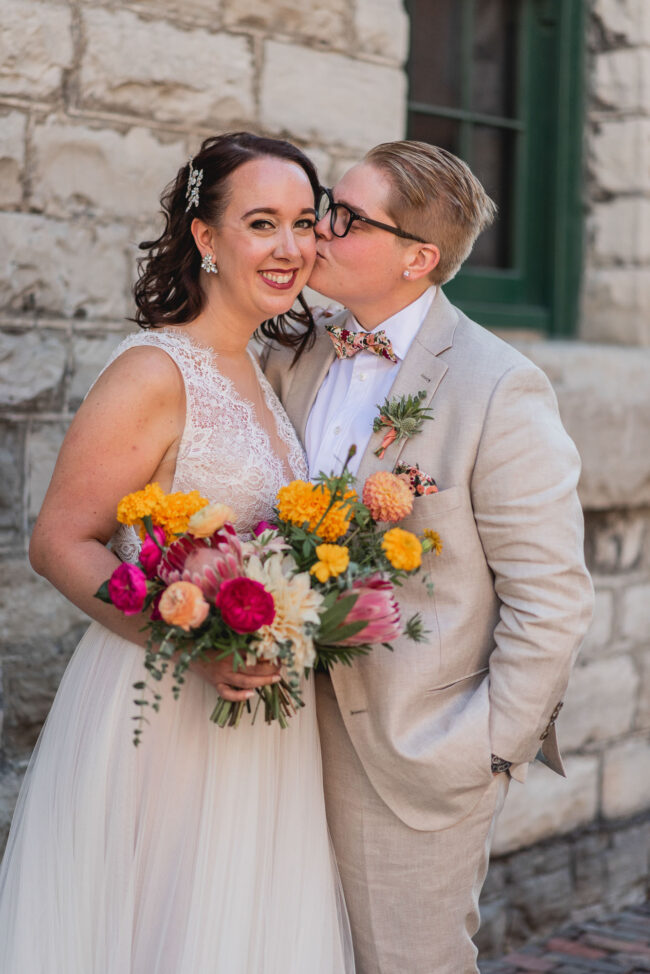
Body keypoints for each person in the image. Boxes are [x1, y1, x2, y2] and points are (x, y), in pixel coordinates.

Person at [0, 132, 354, 974]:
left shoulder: (264, 367)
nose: (290, 248)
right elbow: (58, 541)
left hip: (261, 726)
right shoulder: (156, 371)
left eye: (305, 223)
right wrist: (185, 640)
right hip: (162, 702)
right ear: (205, 237)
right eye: (261, 223)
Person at [262, 140, 594, 974]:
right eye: (325, 206)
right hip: (273, 738)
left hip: (412, 759)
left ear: (419, 258)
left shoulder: (498, 386)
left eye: (345, 218)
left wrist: (485, 751)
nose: (319, 230)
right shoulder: (292, 347)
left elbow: (550, 597)